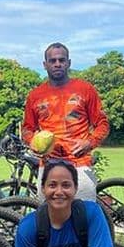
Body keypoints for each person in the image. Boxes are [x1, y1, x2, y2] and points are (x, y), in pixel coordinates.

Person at [22, 43, 110, 201]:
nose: (57, 64)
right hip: (48, 166)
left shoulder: (85, 89)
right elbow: (27, 129)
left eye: (61, 60)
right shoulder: (35, 95)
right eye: (52, 60)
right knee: (49, 219)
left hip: (79, 164)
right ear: (45, 64)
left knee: (83, 217)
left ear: (68, 63)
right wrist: (32, 143)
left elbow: (102, 124)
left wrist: (89, 143)